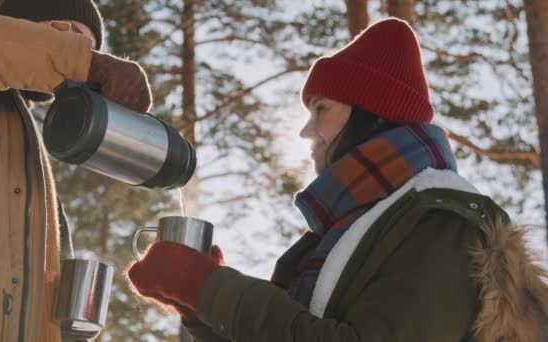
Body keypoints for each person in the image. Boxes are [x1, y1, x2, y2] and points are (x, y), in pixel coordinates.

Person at [126, 18, 548, 341]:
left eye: (321, 109)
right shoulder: (353, 229)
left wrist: (212, 289)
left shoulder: (443, 222)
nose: (306, 131)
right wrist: (201, 310)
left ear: (371, 112)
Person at [0, 1, 152, 341]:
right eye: (67, 36)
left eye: (90, 46)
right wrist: (85, 62)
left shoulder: (28, 148)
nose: (79, 50)